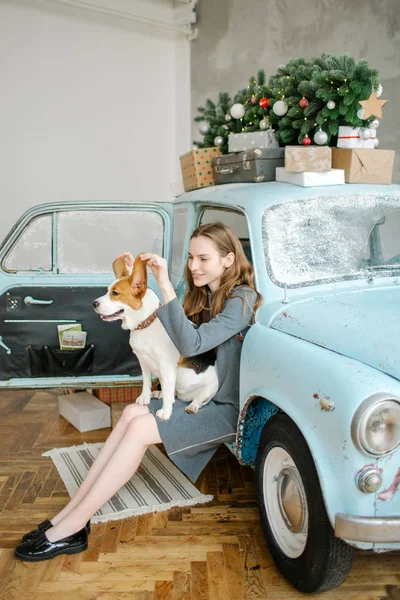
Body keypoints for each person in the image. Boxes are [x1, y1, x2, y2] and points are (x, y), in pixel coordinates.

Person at [15, 222, 262, 562]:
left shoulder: (242, 300)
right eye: (191, 257)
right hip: (195, 395)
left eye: (204, 258)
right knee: (132, 412)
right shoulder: (204, 293)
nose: (193, 266)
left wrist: (159, 281)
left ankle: (71, 526)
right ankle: (71, 515)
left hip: (225, 406)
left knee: (141, 429)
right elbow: (155, 311)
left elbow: (192, 343)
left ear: (229, 259)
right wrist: (134, 277)